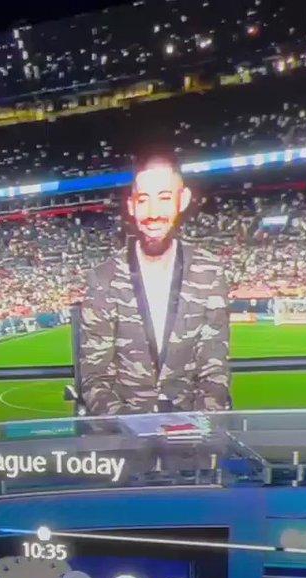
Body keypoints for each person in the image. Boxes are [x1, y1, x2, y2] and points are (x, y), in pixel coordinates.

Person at [79, 151, 229, 414]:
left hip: (192, 430)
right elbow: (95, 378)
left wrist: (196, 426)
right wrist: (133, 427)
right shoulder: (103, 279)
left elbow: (214, 370)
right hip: (125, 432)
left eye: (164, 198)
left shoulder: (209, 271)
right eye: (143, 200)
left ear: (183, 200)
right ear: (131, 206)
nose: (153, 213)